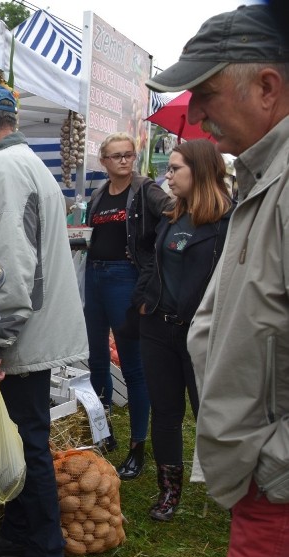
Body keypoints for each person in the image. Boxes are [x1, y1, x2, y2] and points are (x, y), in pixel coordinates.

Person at [147, 4, 289, 557]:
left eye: (206, 94)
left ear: (267, 86)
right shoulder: (263, 177)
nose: (198, 114)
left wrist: (274, 463)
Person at [0, 82, 88, 557]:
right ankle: (20, 538)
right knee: (27, 434)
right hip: (33, 329)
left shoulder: (4, 169)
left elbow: (10, 266)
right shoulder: (28, 163)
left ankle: (42, 548)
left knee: (28, 440)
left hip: (23, 336)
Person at [138, 139, 233, 522]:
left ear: (201, 171)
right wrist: (142, 297)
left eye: (175, 168)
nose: (168, 175)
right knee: (165, 412)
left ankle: (228, 489)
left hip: (203, 334)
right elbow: (151, 260)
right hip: (159, 328)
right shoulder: (171, 216)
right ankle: (169, 491)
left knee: (210, 413)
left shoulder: (231, 222)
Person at [83, 132, 172, 480]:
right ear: (103, 161)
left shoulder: (146, 189)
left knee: (133, 366)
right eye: (115, 155)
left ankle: (138, 446)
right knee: (96, 359)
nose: (123, 160)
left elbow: (169, 216)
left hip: (124, 277)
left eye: (128, 155)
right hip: (94, 275)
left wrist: (149, 270)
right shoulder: (98, 194)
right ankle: (102, 433)